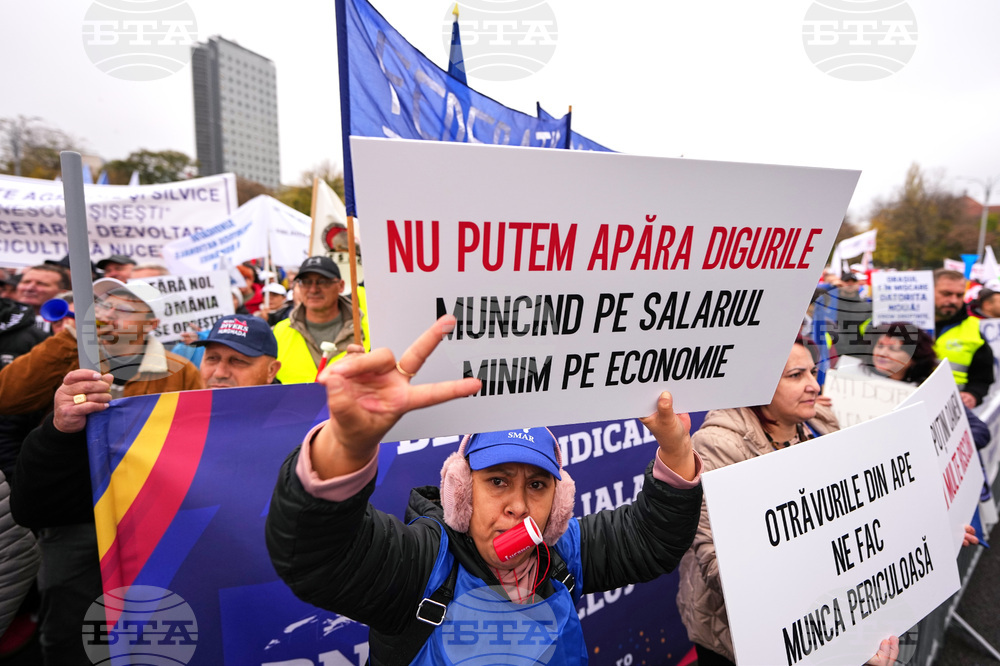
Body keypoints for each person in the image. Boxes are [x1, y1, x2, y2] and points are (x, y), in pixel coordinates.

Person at [265, 315, 703, 664]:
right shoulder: (419, 565)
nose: (518, 506)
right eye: (497, 481)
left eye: (536, 485)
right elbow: (315, 555)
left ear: (559, 501)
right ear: (460, 491)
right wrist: (345, 446)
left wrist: (676, 447)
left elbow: (652, 540)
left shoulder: (564, 552)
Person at [676, 337, 839, 665]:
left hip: (815, 621)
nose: (813, 385)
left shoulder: (821, 421)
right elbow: (714, 559)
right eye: (796, 375)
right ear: (757, 383)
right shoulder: (717, 444)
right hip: (733, 635)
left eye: (813, 372)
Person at [272, 256, 366, 384]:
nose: (313, 289)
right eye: (306, 282)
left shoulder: (369, 328)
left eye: (323, 282)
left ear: (341, 286)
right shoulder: (279, 332)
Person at [933, 268, 994, 408]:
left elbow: (983, 377)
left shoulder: (973, 328)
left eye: (959, 295)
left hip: (949, 411)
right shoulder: (902, 324)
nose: (953, 300)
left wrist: (973, 394)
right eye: (946, 294)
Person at [193, 314, 281, 387]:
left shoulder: (290, 407)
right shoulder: (185, 406)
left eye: (238, 361)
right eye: (212, 358)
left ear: (271, 371)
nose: (219, 373)